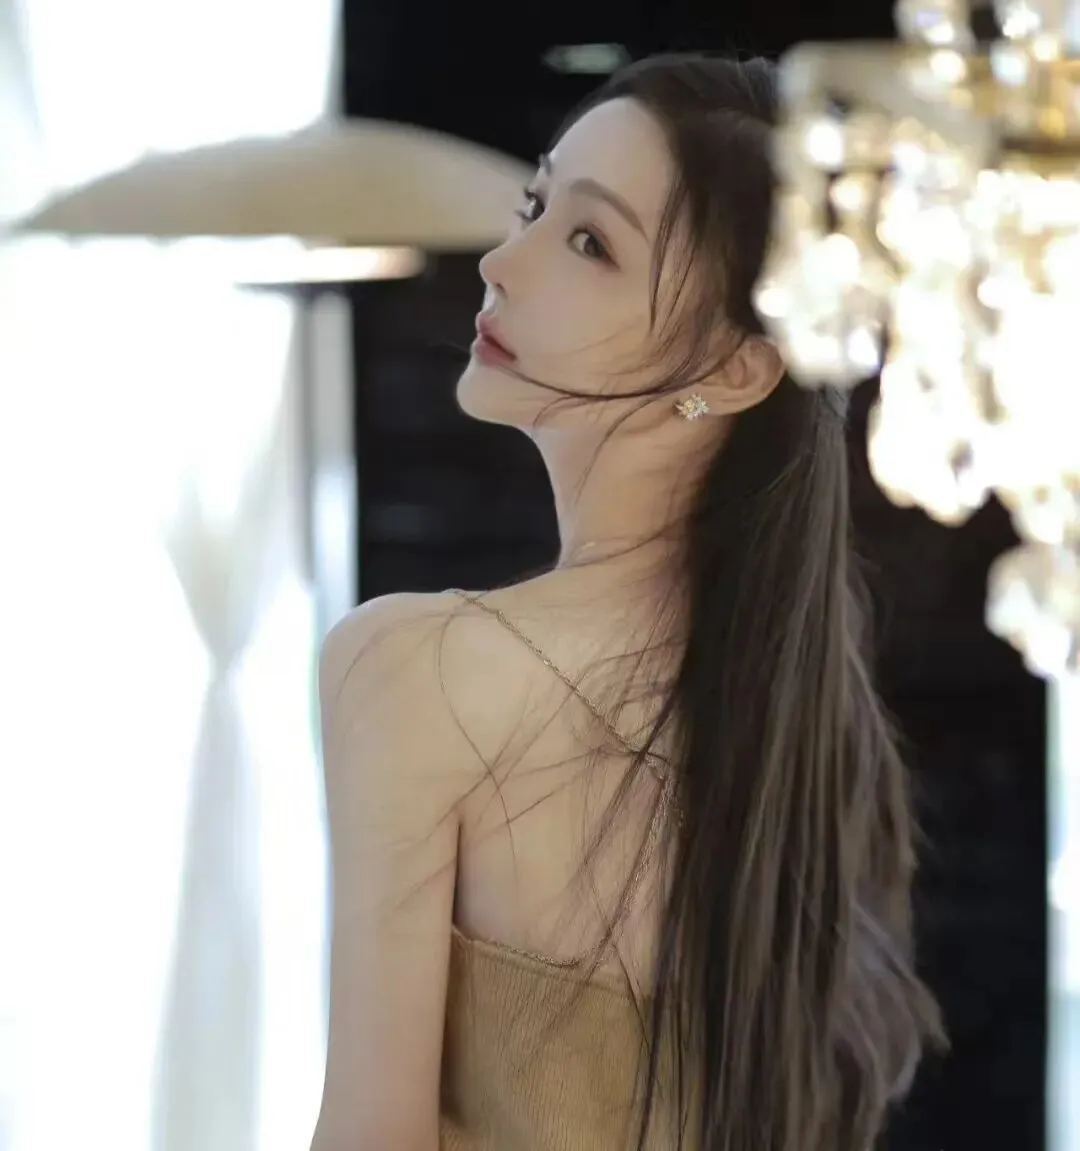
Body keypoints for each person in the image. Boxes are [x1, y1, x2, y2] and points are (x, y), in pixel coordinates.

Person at [310, 52, 946, 1151]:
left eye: (590, 244)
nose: (501, 263)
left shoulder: (420, 666)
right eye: (535, 206)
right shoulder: (814, 726)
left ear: (737, 369)